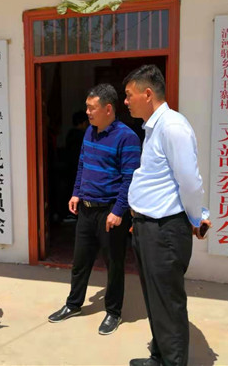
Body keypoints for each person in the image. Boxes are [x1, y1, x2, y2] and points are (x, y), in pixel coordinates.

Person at [123, 65, 211, 366]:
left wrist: (197, 219)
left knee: (168, 304)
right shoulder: (153, 128)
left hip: (164, 231)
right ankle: (159, 357)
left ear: (148, 94)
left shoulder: (172, 127)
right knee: (155, 300)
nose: (126, 102)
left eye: (129, 95)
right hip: (148, 228)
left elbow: (190, 182)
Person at [48, 83, 141, 335]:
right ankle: (73, 304)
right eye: (87, 108)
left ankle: (113, 312)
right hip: (87, 209)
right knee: (80, 262)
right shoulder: (90, 132)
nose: (87, 112)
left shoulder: (127, 137)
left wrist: (118, 210)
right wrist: (76, 192)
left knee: (114, 264)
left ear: (108, 109)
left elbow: (130, 178)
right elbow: (82, 165)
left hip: (110, 211)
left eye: (92, 108)